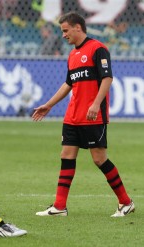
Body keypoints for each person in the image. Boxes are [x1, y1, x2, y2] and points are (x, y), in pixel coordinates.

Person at [32, 12, 134, 217]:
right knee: (66, 156)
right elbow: (69, 83)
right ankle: (59, 206)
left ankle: (126, 202)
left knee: (99, 159)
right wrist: (49, 105)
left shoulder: (98, 49)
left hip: (92, 116)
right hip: (73, 116)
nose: (63, 35)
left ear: (78, 27)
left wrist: (96, 104)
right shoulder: (72, 55)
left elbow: (107, 79)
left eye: (65, 30)